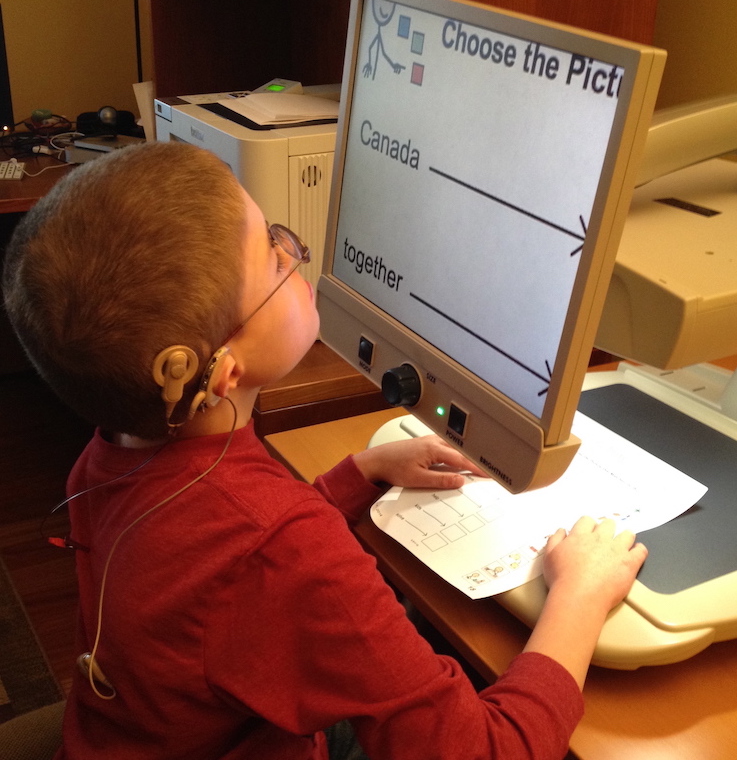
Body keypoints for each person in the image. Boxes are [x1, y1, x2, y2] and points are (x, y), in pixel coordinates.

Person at [2, 141, 647, 760]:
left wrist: (360, 473)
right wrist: (578, 599)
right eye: (274, 258)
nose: (295, 253)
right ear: (223, 369)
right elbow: (480, 750)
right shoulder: (282, 543)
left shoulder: (108, 454)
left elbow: (219, 567)